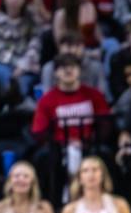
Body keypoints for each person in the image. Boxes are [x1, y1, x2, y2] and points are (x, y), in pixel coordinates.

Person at [29, 54, 112, 204]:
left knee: (106, 154)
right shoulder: (47, 100)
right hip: (59, 148)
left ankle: (108, 199)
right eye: (63, 68)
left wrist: (89, 140)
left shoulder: (94, 95)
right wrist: (63, 143)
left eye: (72, 67)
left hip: (90, 145)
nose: (68, 71)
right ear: (56, 73)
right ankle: (51, 203)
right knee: (43, 158)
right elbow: (39, 131)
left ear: (79, 71)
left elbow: (105, 124)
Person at [0, 0, 43, 109]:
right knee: (4, 75)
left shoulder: (31, 22)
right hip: (4, 63)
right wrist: (17, 66)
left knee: (23, 80)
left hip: (27, 65)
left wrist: (22, 67)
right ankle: (20, 101)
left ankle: (12, 104)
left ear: (24, 0)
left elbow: (35, 46)